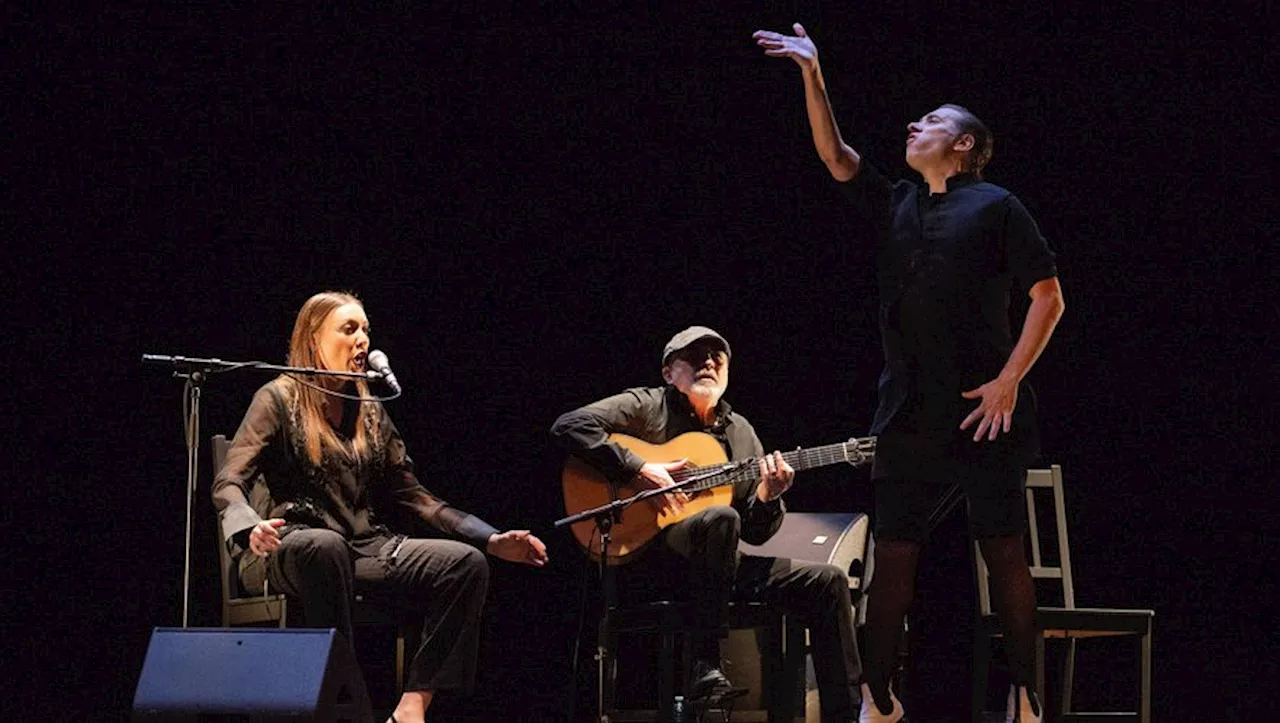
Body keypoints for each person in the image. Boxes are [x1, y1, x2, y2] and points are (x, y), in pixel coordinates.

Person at [754, 24, 1066, 723]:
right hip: (907, 412)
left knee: (1003, 554)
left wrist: (1011, 376)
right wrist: (813, 74)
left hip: (982, 409)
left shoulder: (997, 205)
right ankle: (880, 699)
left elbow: (1049, 297)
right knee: (894, 557)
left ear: (962, 144)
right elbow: (836, 158)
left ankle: (1027, 694)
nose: (912, 124)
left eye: (930, 121)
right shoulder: (897, 200)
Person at [212, 291, 548, 723]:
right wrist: (249, 527)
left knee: (465, 564)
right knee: (323, 546)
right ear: (314, 338)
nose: (363, 340)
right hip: (287, 543)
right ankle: (347, 709)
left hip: (362, 548)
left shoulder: (368, 407)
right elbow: (229, 479)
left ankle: (412, 706)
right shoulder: (278, 397)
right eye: (349, 329)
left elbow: (414, 495)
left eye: (366, 330)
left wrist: (491, 538)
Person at [550, 326, 863, 722]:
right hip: (649, 560)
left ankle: (846, 714)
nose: (709, 363)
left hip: (719, 567)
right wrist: (640, 469)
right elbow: (569, 426)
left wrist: (769, 495)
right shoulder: (646, 406)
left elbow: (755, 531)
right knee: (720, 517)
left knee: (828, 581)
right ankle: (706, 666)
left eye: (718, 357)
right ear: (668, 372)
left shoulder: (740, 432)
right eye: (696, 356)